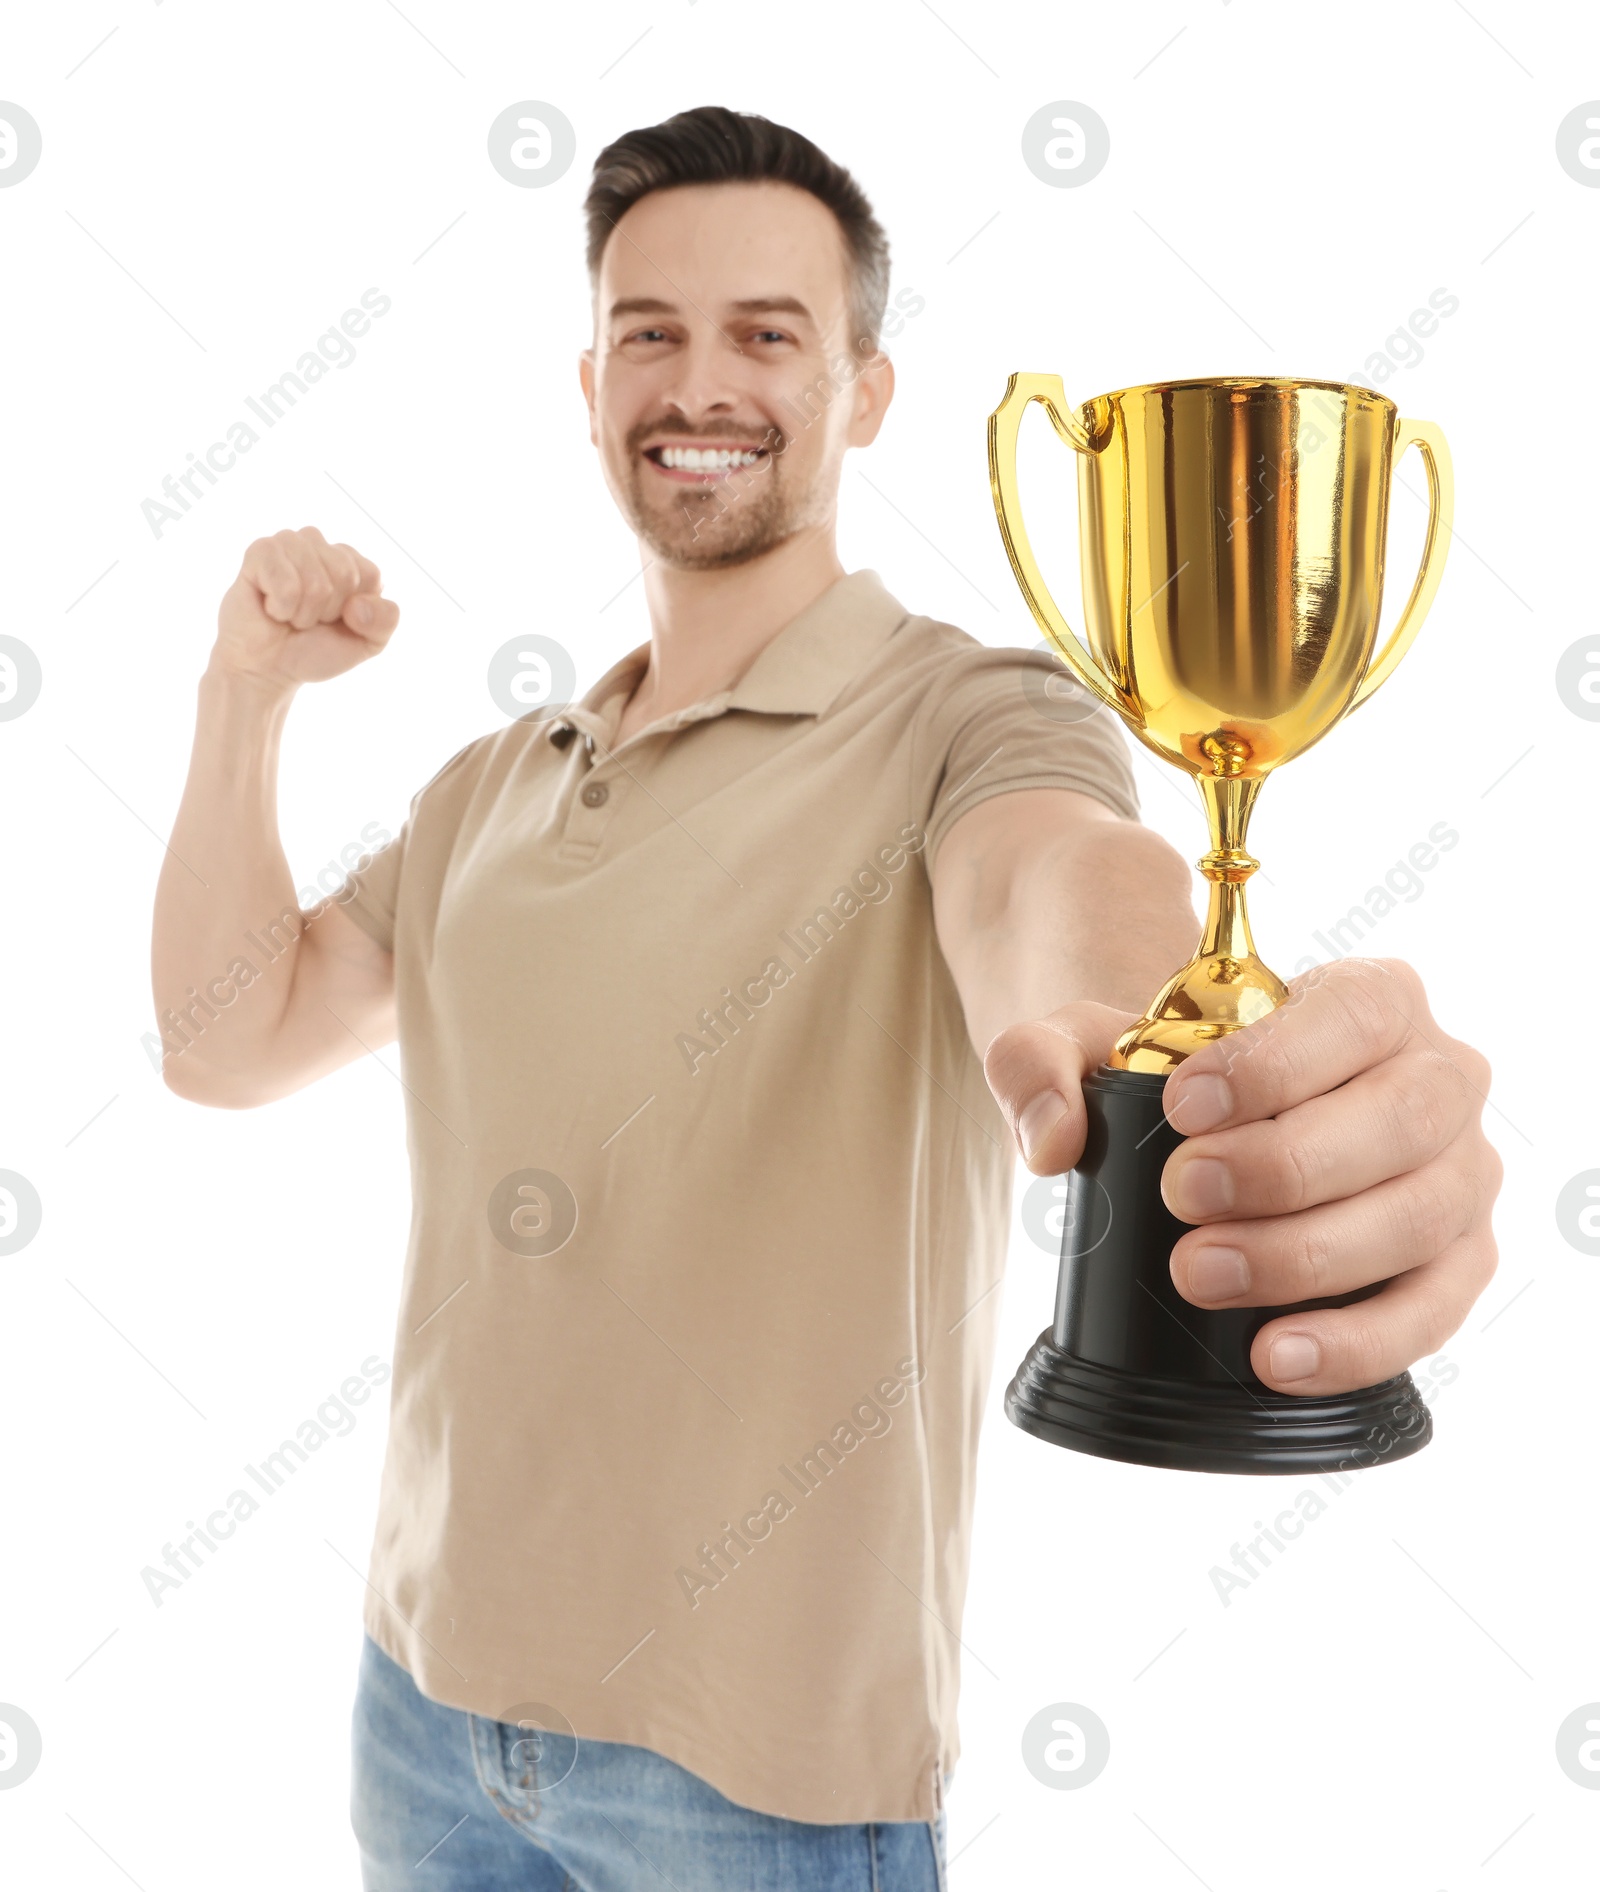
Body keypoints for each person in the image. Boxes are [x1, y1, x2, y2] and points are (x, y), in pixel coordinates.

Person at [151, 104, 1502, 1892]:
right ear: (588, 385)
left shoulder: (969, 717)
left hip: (756, 1792)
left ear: (865, 389)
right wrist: (244, 695)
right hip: (424, 1712)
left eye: (767, 334)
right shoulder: (494, 783)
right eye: (652, 332)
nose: (698, 382)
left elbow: (1054, 884)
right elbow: (224, 1040)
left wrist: (1186, 1051)